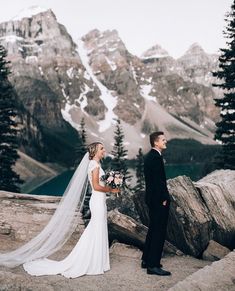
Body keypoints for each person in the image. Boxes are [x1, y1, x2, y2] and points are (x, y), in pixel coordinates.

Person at [0, 142, 119, 278]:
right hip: (97, 200)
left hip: (99, 200)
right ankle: (92, 261)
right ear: (95, 151)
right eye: (101, 148)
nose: (104, 150)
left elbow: (98, 184)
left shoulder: (94, 164)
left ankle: (97, 260)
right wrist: (111, 189)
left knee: (97, 227)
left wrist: (110, 183)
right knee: (96, 227)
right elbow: (97, 187)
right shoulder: (95, 165)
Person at [141, 131, 171, 276]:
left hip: (152, 199)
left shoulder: (150, 157)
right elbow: (158, 181)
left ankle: (146, 259)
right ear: (156, 142)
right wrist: (164, 198)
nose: (166, 142)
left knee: (153, 229)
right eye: (163, 140)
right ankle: (153, 265)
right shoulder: (156, 158)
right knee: (158, 231)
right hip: (158, 200)